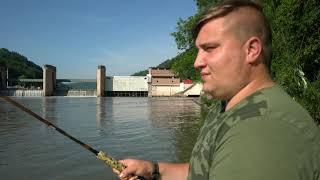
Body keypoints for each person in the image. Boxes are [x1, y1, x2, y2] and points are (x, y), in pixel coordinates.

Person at [114, 0, 320, 179]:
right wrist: (154, 170)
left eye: (209, 48)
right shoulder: (228, 105)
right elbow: (203, 171)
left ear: (251, 50)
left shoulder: (261, 130)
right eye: (198, 50)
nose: (196, 62)